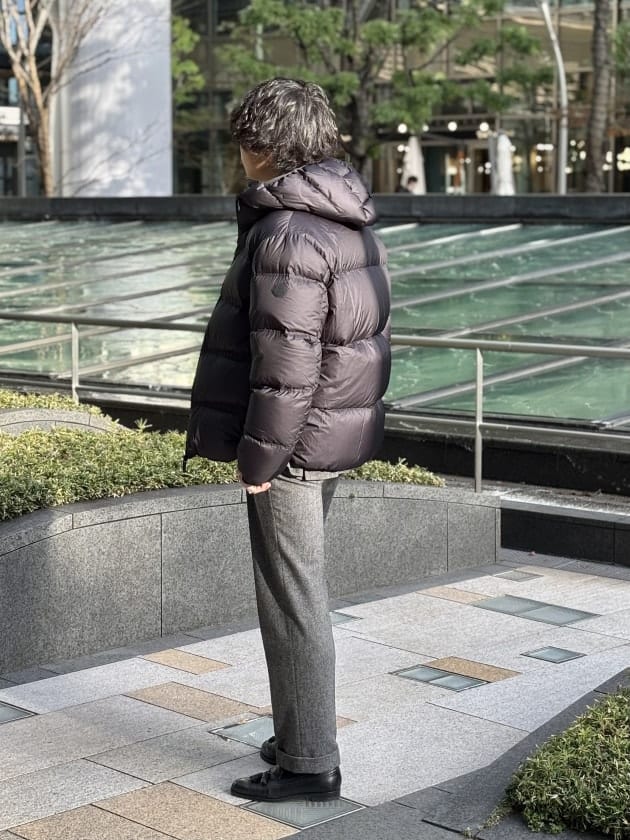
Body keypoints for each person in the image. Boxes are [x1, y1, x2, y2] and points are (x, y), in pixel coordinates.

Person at [185, 77, 391, 802]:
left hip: (294, 447)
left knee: (291, 599)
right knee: (296, 590)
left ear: (266, 147)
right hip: (329, 435)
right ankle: (297, 731)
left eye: (245, 143)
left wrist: (260, 458)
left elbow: (286, 364)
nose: (240, 157)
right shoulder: (344, 217)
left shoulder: (287, 232)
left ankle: (308, 763)